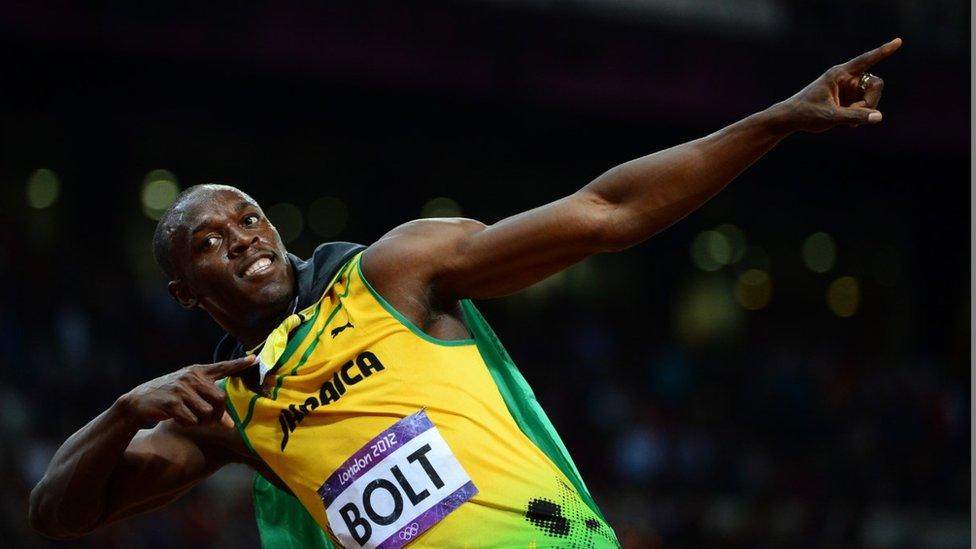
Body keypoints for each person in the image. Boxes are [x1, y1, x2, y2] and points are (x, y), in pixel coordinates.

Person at [29, 39, 901, 548]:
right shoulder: (231, 404)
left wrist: (777, 119)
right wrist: (120, 411)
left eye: (249, 217)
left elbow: (604, 211)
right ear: (187, 293)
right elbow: (58, 514)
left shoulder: (394, 270)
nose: (244, 239)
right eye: (211, 243)